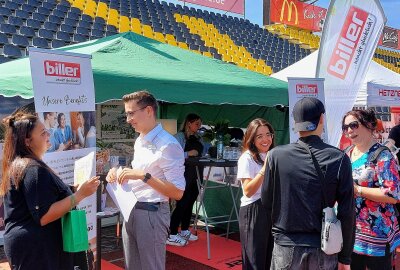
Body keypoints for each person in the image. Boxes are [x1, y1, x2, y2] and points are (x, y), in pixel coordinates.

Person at [261, 97, 355, 270]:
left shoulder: (275, 155)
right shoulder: (339, 158)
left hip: (286, 244)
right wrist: (345, 257)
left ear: (295, 123)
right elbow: (347, 212)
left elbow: (267, 202)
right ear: (321, 119)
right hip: (323, 246)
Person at [1, 111, 100, 270]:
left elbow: (44, 197)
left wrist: (74, 189)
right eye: (43, 133)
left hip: (33, 247)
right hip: (37, 250)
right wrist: (80, 195)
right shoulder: (33, 169)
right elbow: (44, 215)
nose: (48, 134)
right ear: (27, 141)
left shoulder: (25, 165)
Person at [106, 90, 185, 270]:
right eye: (126, 114)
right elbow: (138, 175)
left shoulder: (169, 144)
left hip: (152, 213)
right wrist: (118, 173)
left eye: (131, 113)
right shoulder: (140, 140)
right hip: (132, 209)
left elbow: (178, 192)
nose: (128, 119)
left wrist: (143, 176)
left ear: (149, 111)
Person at [342, 109, 400, 270]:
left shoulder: (383, 156)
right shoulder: (346, 153)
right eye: (345, 127)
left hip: (377, 236)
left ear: (369, 125)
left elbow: (392, 194)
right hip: (352, 234)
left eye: (353, 125)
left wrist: (357, 190)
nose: (349, 131)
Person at [237, 118, 275, 270]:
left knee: (270, 258)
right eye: (259, 136)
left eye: (268, 134)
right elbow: (248, 191)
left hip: (270, 209)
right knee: (254, 260)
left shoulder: (273, 154)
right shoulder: (246, 158)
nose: (266, 139)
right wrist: (264, 169)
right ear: (252, 138)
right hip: (253, 210)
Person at [167, 113, 204, 246]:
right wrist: (187, 153)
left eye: (200, 124)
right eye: (196, 124)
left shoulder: (199, 138)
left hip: (195, 174)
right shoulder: (178, 137)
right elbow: (170, 156)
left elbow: (202, 152)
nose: (199, 127)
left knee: (190, 203)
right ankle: (171, 233)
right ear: (189, 123)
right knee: (181, 204)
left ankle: (183, 230)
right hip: (182, 175)